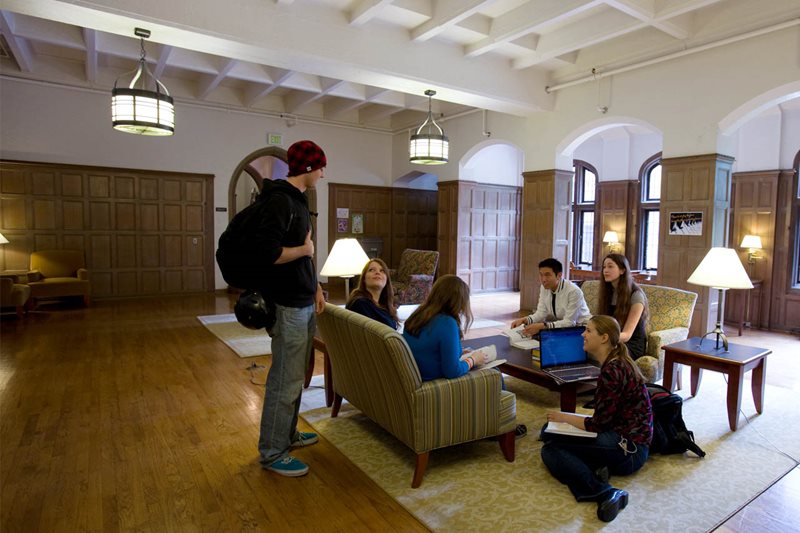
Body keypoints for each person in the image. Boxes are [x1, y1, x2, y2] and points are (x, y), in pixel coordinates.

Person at [257, 140, 327, 478]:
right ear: (308, 167)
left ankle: (287, 434)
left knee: (296, 376)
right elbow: (269, 254)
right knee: (284, 380)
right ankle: (272, 451)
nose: (323, 173)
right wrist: (303, 250)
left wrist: (316, 286)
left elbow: (308, 252)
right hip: (286, 304)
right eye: (320, 167)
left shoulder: (299, 200)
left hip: (302, 298)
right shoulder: (279, 200)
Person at [540, 315, 653, 523]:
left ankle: (604, 492)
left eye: (589, 331)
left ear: (604, 338)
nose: (583, 334)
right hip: (625, 438)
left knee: (551, 448)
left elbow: (598, 425)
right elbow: (605, 418)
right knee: (548, 430)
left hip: (629, 449)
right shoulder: (617, 362)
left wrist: (564, 417)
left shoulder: (612, 370)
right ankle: (597, 467)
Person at [403, 275, 527, 438]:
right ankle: (501, 427)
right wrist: (473, 359)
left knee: (479, 361)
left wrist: (459, 352)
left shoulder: (418, 315)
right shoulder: (447, 323)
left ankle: (493, 422)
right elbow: (452, 371)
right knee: (494, 372)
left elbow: (429, 347)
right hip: (435, 381)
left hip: (420, 373)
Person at [511, 258, 591, 336]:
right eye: (541, 275)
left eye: (547, 275)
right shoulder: (544, 287)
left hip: (582, 328)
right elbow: (541, 313)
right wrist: (524, 320)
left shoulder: (573, 291)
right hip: (562, 328)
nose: (543, 279)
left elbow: (569, 322)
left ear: (559, 275)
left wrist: (543, 326)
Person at [597, 254, 649, 359]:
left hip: (630, 344)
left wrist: (602, 339)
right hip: (612, 340)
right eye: (604, 267)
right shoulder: (607, 293)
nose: (605, 270)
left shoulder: (636, 295)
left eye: (610, 266)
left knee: (603, 350)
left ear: (622, 270)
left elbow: (627, 335)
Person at [346, 258, 399, 329]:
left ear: (386, 280)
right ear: (364, 279)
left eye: (382, 271)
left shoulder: (385, 305)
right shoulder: (360, 303)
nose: (377, 272)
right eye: (372, 270)